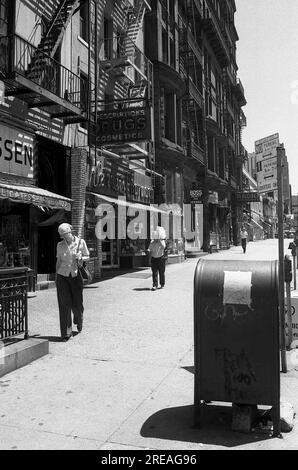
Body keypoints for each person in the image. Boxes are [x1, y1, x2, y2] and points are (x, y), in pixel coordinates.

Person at [56, 223, 89, 341]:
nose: (66, 237)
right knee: (64, 304)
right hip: (62, 276)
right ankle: (66, 333)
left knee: (77, 303)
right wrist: (56, 276)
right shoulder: (59, 245)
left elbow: (87, 256)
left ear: (71, 231)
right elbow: (59, 261)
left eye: (67, 234)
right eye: (63, 235)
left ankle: (79, 318)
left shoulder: (81, 242)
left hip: (76, 276)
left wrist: (80, 257)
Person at [148, 226, 166, 291]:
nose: (155, 239)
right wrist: (149, 259)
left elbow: (164, 247)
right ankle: (155, 285)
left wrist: (159, 240)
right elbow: (150, 250)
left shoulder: (162, 241)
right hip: (154, 259)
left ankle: (162, 284)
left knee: (161, 272)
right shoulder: (152, 242)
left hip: (161, 258)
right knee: (154, 273)